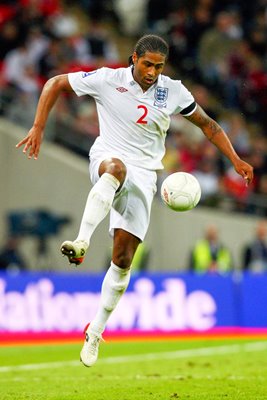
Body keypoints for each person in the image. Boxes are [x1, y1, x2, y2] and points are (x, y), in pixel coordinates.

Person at [16, 34, 253, 367]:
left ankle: (95, 331)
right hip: (109, 156)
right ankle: (82, 241)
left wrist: (235, 159)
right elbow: (55, 83)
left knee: (123, 259)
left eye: (159, 66)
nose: (153, 72)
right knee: (114, 169)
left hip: (146, 175)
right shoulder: (107, 79)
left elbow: (208, 125)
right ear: (133, 58)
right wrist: (39, 126)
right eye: (147, 64)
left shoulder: (173, 90)